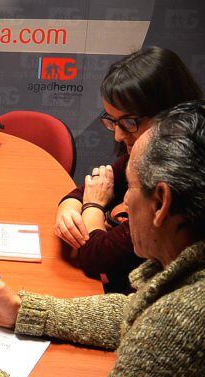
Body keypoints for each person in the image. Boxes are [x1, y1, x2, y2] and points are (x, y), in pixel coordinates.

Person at [0, 100, 205, 377]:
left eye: (129, 189)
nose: (122, 207)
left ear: (161, 202)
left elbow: (159, 326)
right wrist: (22, 311)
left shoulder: (177, 327)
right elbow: (136, 311)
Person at [54, 47, 202, 293]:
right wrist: (68, 208)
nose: (119, 135)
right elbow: (90, 189)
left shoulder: (179, 176)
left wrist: (93, 207)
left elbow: (96, 256)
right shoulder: (148, 149)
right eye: (112, 121)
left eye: (129, 122)